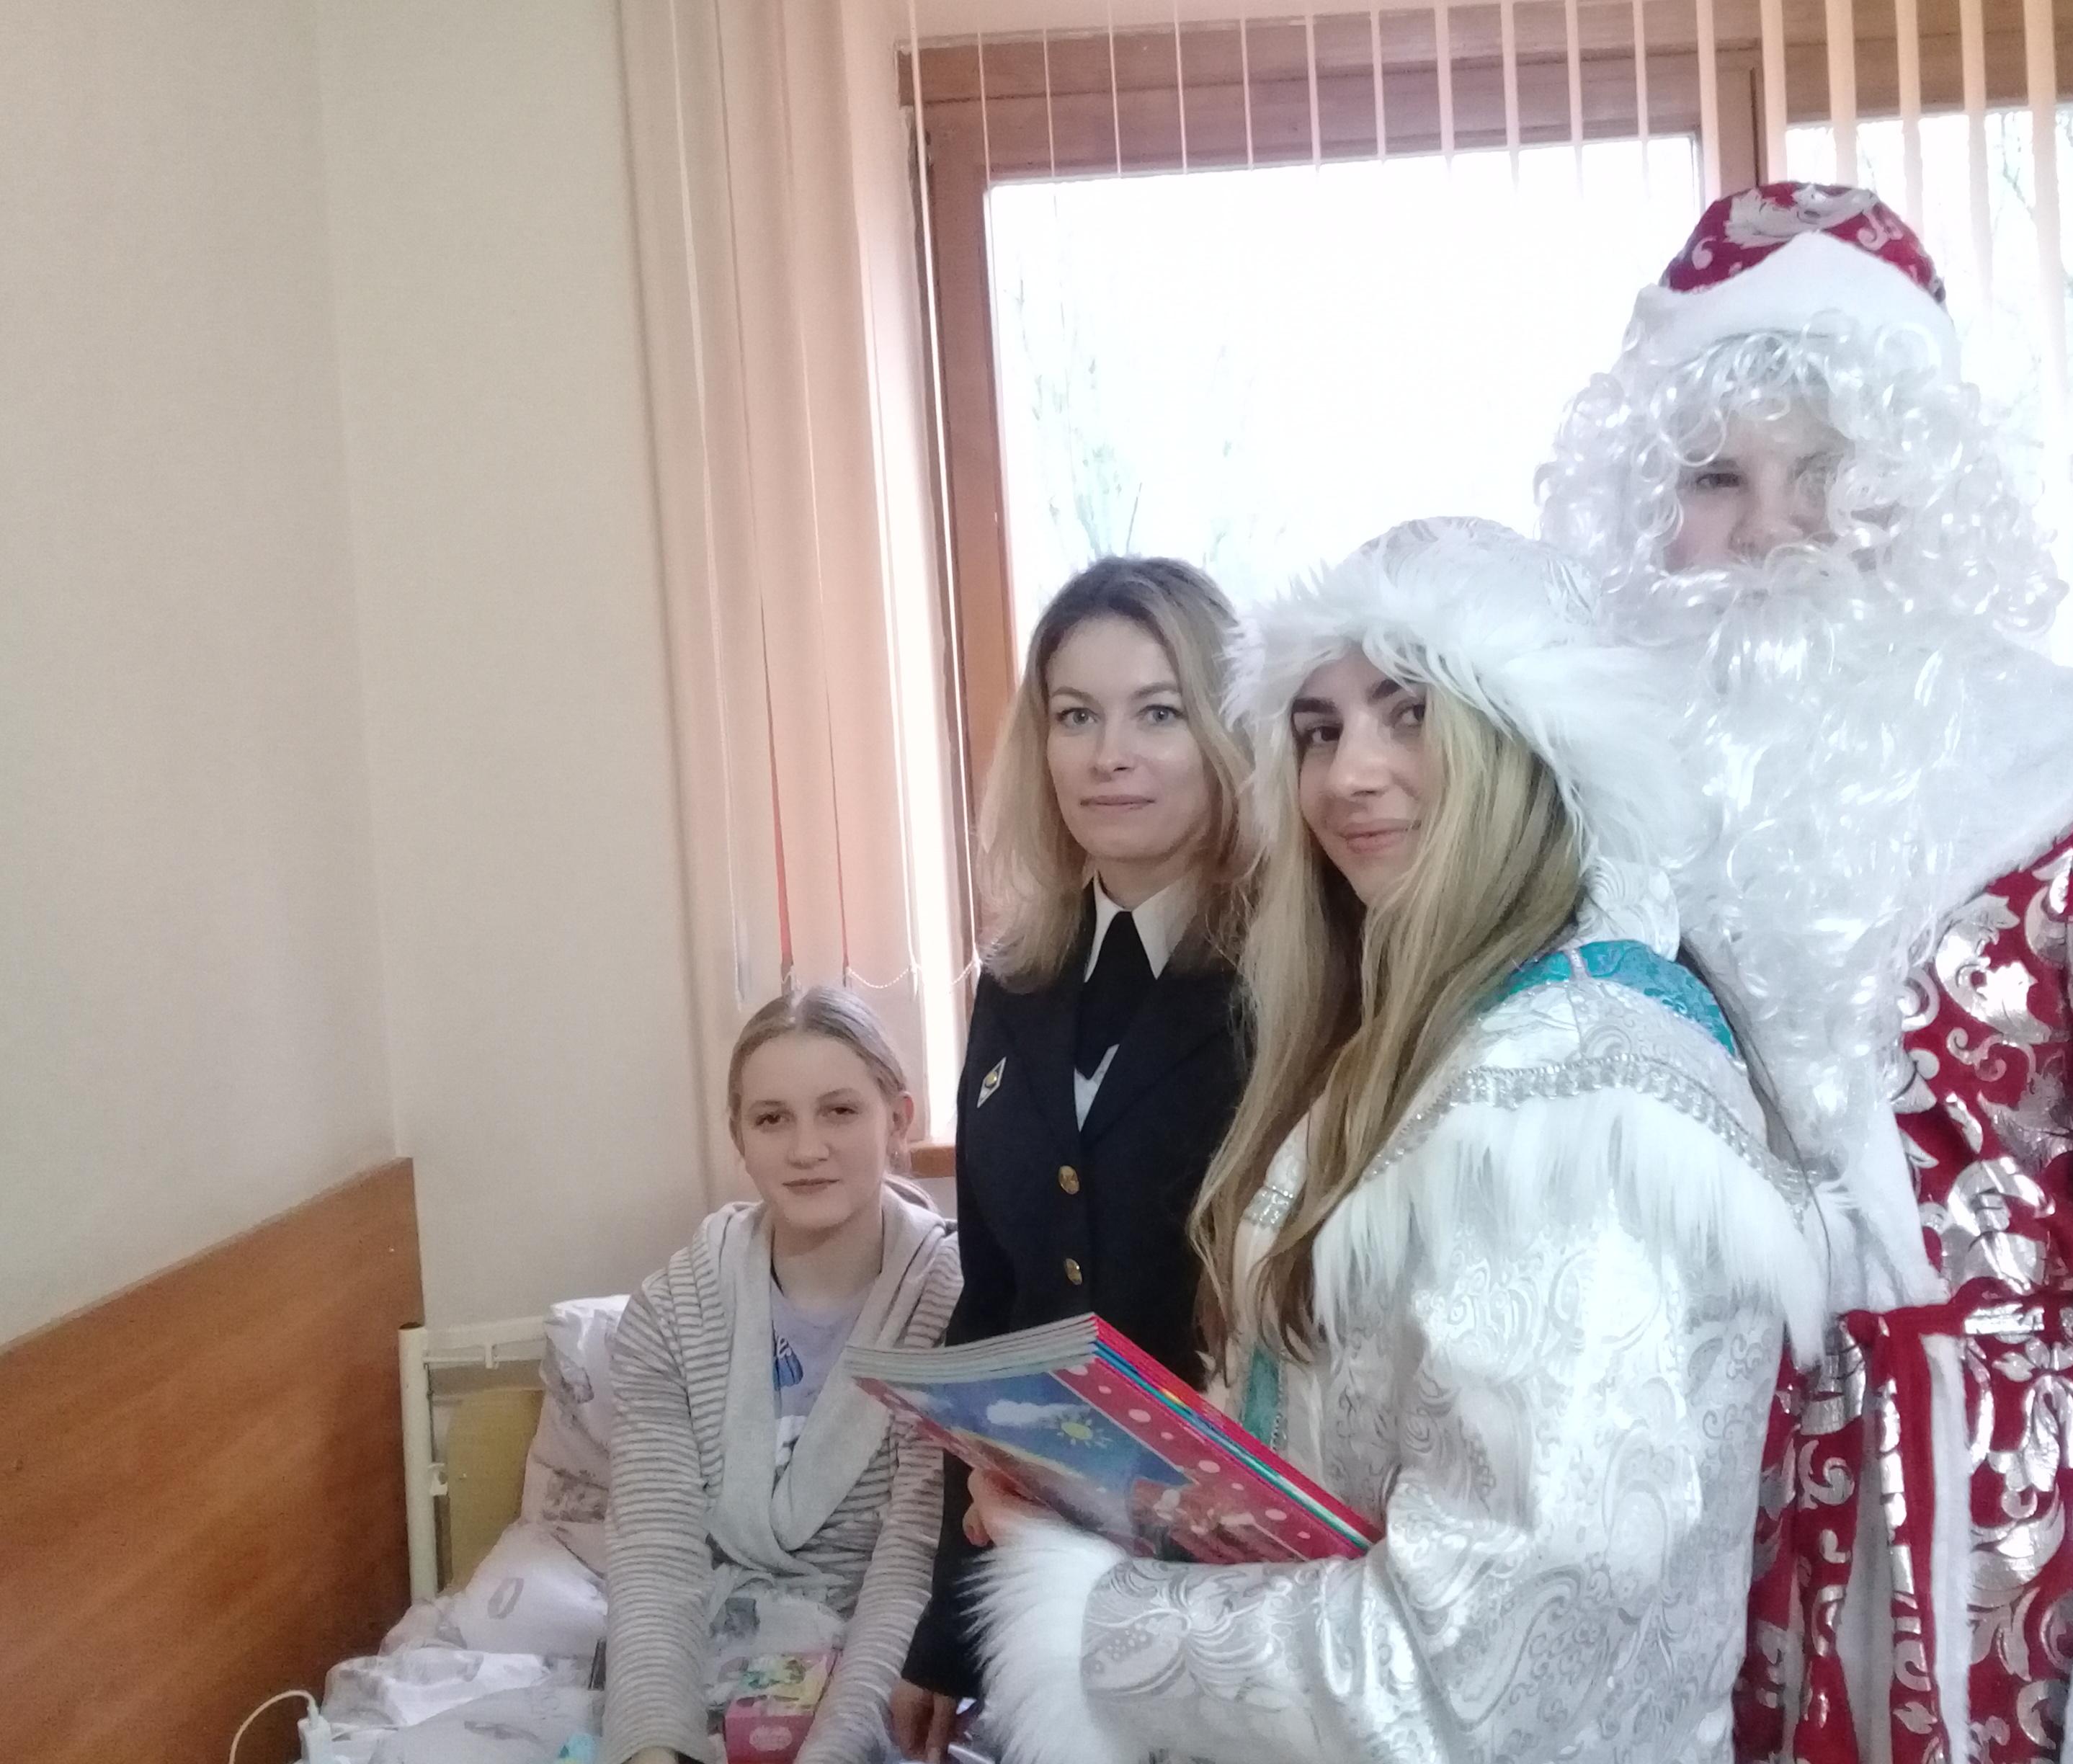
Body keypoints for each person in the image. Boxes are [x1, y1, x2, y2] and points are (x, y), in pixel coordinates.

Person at [1542, 182, 2073, 1764]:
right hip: (1673, 1586)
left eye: (1829, 472)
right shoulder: (1582, 840)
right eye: (1712, 478)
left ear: (1924, 494)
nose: (1770, 533)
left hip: (2036, 1600)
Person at [958, 518, 1839, 1764]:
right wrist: (1130, 1503)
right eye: (1318, 730)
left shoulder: (1568, 1109)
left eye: (1409, 713)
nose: (1347, 776)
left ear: (1530, 736)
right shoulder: (1440, 1039)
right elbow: (1356, 1448)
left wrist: (1093, 1615)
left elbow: (1473, 1666)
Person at [891, 558, 1256, 1763]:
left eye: (1158, 712)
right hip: (1047, 1572)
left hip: (1236, 1587)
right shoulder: (1017, 978)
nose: (1111, 755)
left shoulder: (1295, 977)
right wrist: (952, 1624)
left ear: (1225, 733)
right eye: (1075, 715)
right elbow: (993, 1316)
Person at [604, 986, 963, 1764]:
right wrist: (653, 1750)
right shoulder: (669, 1315)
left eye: (840, 1111)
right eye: (772, 1119)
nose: (806, 1149)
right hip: (707, 1651)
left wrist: (835, 1752)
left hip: (885, 1670)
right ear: (738, 1135)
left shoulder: (955, 1307)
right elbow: (656, 1559)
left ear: (897, 1119)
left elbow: (910, 1566)